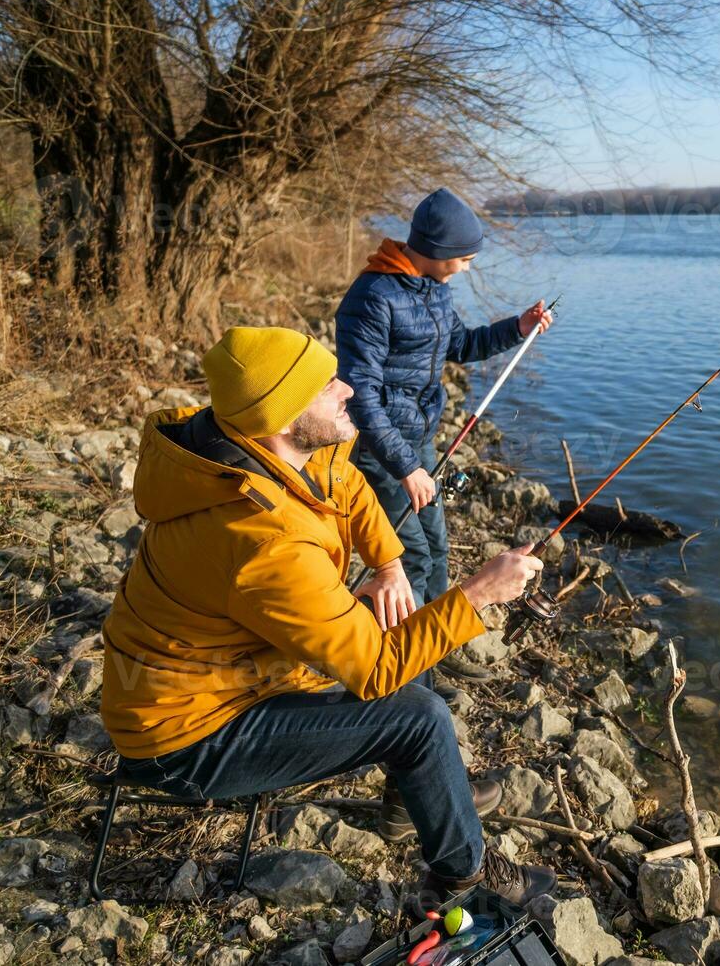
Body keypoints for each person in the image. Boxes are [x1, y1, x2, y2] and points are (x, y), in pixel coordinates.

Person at [100, 325, 554, 906]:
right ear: (283, 417)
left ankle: (413, 800)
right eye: (328, 385)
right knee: (420, 717)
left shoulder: (250, 447)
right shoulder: (261, 539)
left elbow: (347, 482)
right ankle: (463, 877)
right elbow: (375, 672)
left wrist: (389, 565)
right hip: (186, 738)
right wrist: (479, 593)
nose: (349, 390)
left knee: (397, 627)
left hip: (242, 674)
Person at [335, 188, 553, 682]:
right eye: (465, 258)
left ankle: (437, 638)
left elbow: (461, 343)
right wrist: (406, 467)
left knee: (435, 544)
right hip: (380, 452)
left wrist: (516, 328)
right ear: (435, 250)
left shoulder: (433, 288)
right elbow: (360, 394)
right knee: (406, 553)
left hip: (421, 440)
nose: (467, 268)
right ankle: (403, 668)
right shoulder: (371, 298)